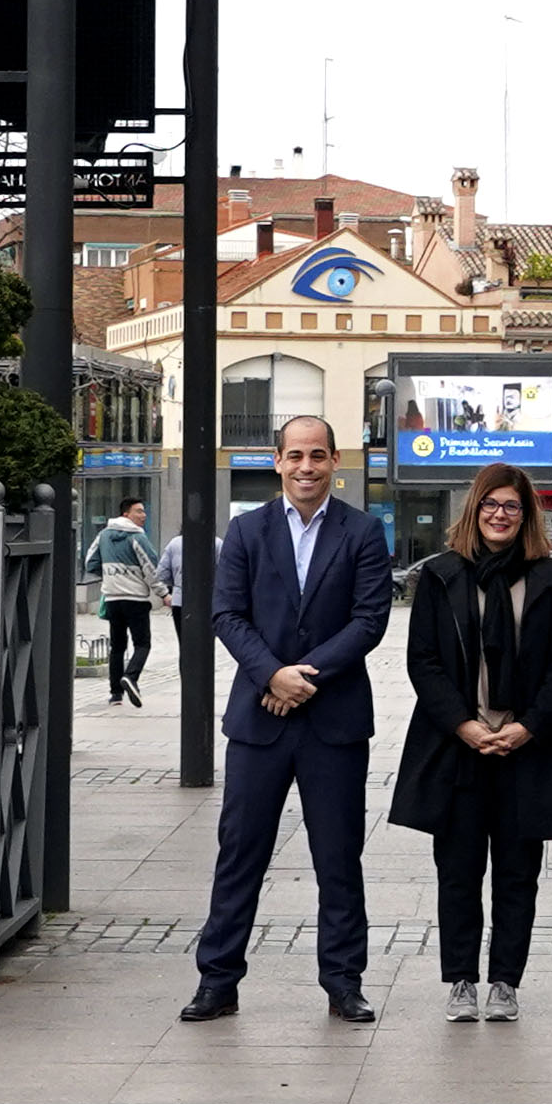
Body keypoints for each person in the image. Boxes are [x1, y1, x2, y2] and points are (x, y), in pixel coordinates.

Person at [185, 415, 396, 1022]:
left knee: (339, 857)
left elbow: (370, 620)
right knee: (239, 855)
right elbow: (226, 614)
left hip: (334, 723)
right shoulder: (246, 530)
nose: (307, 467)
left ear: (334, 462)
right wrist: (271, 675)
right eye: (296, 455)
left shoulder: (362, 531)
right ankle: (217, 981)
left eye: (318, 455)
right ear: (276, 461)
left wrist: (301, 678)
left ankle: (344, 982)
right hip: (260, 721)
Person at [389, 461, 552, 1022]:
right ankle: (461, 979)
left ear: (526, 517)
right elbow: (423, 661)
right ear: (474, 509)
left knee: (518, 874)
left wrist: (528, 726)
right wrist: (465, 725)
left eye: (511, 507)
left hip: (529, 749)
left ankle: (505, 981)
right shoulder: (441, 576)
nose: (500, 515)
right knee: (457, 871)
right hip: (458, 747)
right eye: (490, 504)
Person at [91, 498, 163, 707]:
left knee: (117, 646)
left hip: (112, 599)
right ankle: (130, 677)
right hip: (135, 599)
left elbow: (90, 562)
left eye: (143, 511)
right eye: (138, 511)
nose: (143, 515)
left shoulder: (103, 535)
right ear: (126, 514)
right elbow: (151, 568)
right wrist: (162, 593)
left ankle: (115, 694)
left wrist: (110, 576)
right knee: (143, 643)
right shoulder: (137, 537)